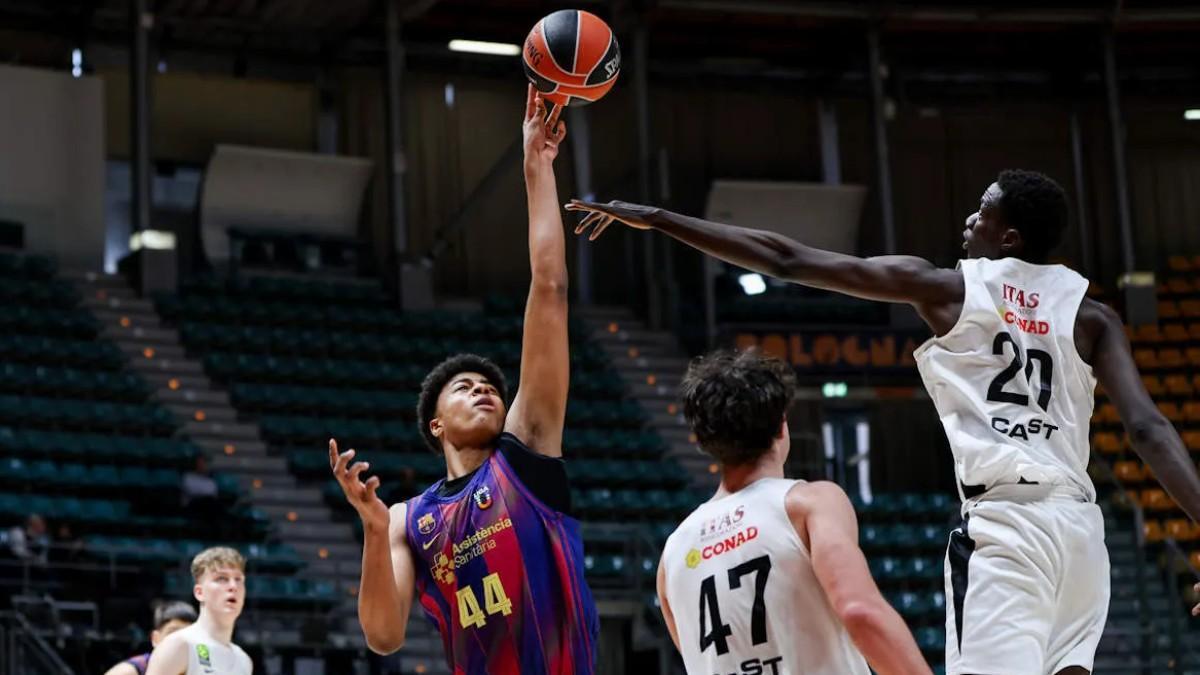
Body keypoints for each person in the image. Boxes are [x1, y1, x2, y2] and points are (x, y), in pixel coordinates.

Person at [568, 170, 1200, 675]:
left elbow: (786, 260)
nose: (969, 221)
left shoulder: (947, 289)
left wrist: (657, 219)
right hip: (1082, 531)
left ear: (1009, 238)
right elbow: (1148, 430)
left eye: (983, 212)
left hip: (1008, 527)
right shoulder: (1093, 317)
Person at [330, 84, 598, 675]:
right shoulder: (407, 518)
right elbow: (382, 637)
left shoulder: (525, 450)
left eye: (491, 387)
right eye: (465, 387)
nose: (483, 390)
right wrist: (374, 530)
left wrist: (537, 168)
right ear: (435, 423)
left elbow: (549, 289)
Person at [658, 349, 930, 675]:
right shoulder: (809, 503)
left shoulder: (672, 555)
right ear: (781, 426)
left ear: (703, 442)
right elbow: (860, 611)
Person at [144, 546, 252, 675]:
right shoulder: (179, 645)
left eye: (238, 579)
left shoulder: (244, 660)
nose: (233, 586)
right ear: (199, 593)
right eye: (222, 578)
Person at [103, 601, 197, 675]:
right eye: (172, 633)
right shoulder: (129, 671)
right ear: (155, 638)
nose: (179, 642)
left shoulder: (201, 668)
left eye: (186, 635)